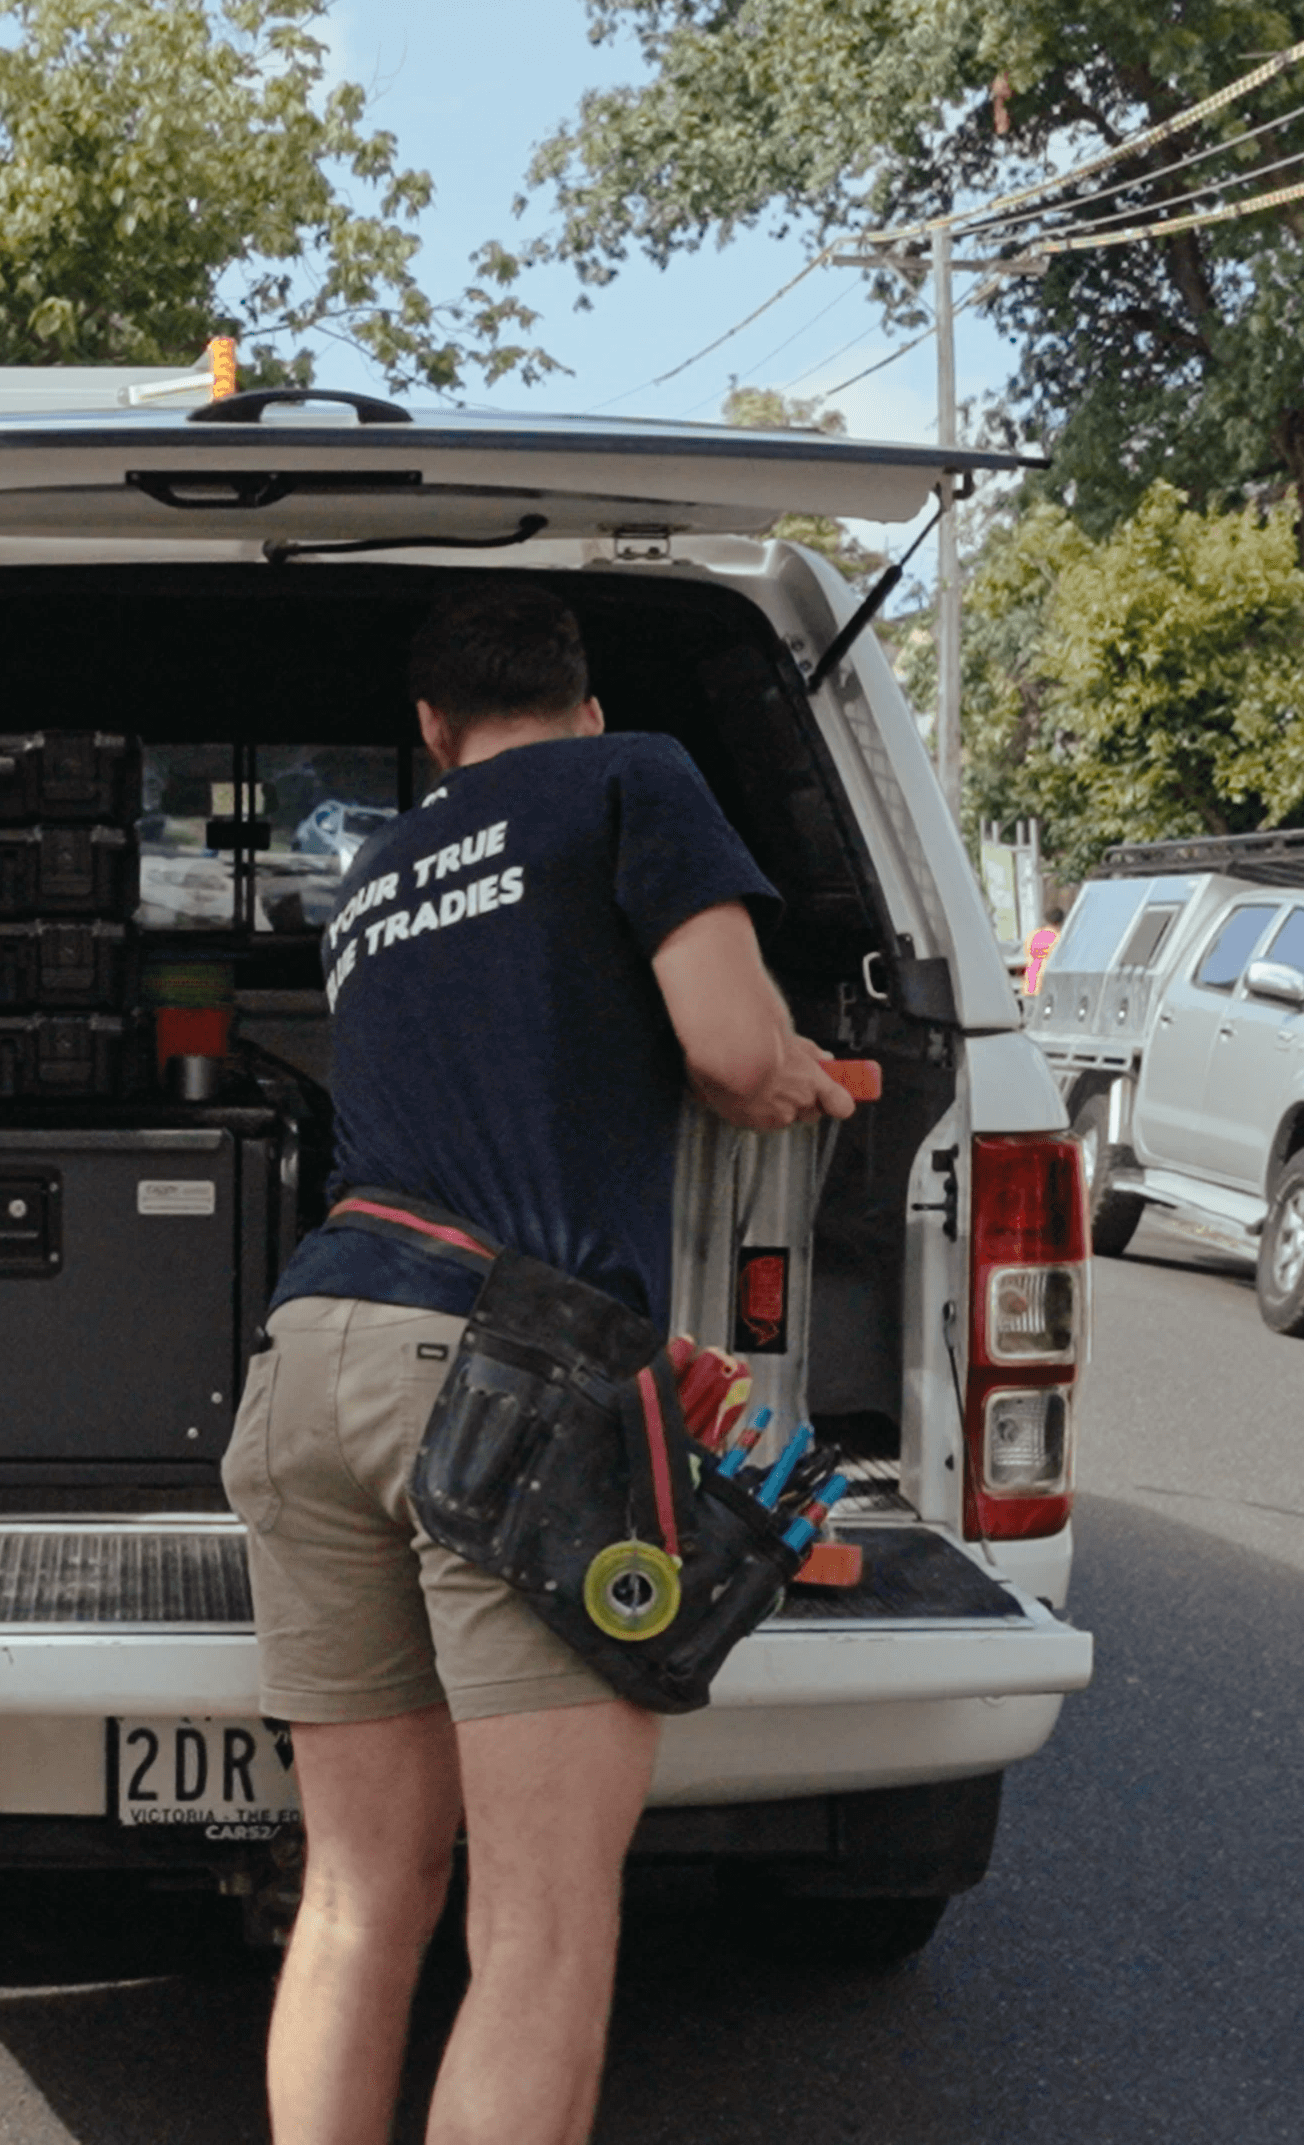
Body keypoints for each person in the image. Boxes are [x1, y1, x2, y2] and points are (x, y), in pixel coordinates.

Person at [220, 582, 857, 2145]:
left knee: (361, 1903)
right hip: (506, 1386)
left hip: (311, 1358)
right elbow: (722, 1039)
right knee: (541, 1936)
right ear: (582, 702)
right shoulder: (633, 775)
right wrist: (793, 1074)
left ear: (432, 733)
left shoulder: (373, 873)